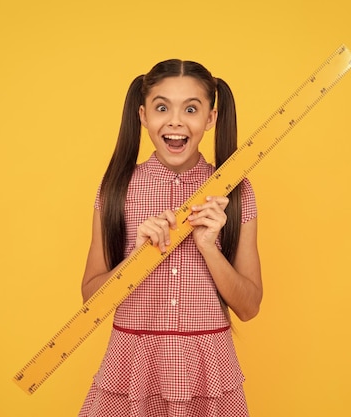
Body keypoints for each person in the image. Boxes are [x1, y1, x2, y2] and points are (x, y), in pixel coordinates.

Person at [78, 59, 263, 417]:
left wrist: (209, 247)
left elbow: (249, 306)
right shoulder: (116, 188)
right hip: (130, 368)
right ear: (143, 115)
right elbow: (90, 299)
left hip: (209, 372)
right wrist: (136, 257)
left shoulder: (236, 193)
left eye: (191, 109)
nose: (176, 121)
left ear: (210, 119)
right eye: (162, 107)